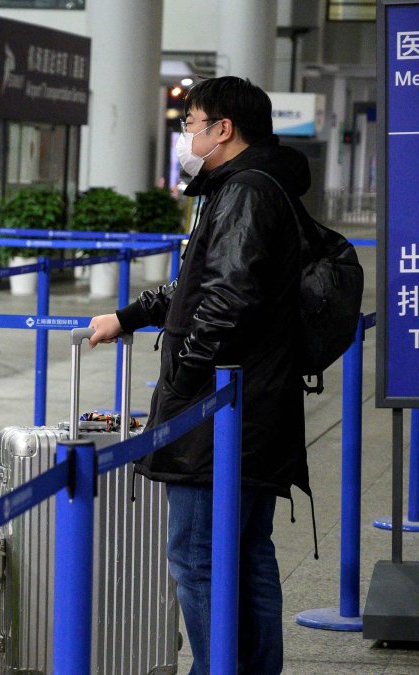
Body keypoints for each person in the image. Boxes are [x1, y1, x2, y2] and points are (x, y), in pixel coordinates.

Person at [89, 76, 308, 675]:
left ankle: (219, 668)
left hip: (225, 406)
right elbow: (199, 284)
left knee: (196, 555)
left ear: (223, 130)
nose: (187, 132)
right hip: (259, 397)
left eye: (192, 122)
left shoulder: (245, 192)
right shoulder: (257, 186)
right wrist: (129, 315)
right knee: (246, 552)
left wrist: (183, 386)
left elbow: (225, 299)